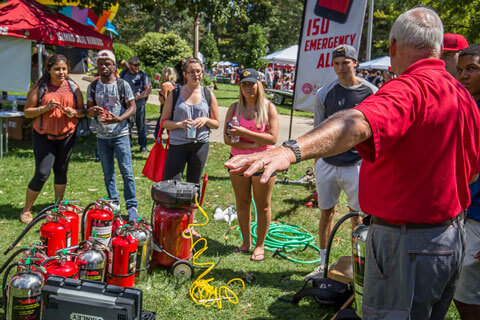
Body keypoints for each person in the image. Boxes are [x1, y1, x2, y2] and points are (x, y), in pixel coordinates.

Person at [225, 7, 480, 319]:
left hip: (407, 245)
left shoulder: (408, 88)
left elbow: (356, 122)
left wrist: (289, 150)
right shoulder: (463, 94)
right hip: (450, 239)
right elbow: (471, 173)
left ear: (394, 47)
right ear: (439, 48)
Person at [305, 45, 378, 280]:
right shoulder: (325, 92)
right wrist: (316, 162)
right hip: (327, 163)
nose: (340, 68)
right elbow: (318, 129)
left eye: (345, 63)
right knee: (326, 212)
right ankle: (323, 263)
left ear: (355, 63)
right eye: (336, 63)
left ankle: (358, 262)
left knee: (357, 215)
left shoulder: (370, 91)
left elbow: (377, 130)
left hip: (356, 164)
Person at [20, 54, 85, 223]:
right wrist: (45, 108)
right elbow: (27, 112)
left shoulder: (73, 86)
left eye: (64, 69)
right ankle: (27, 209)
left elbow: (82, 110)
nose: (61, 72)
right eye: (57, 69)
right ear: (48, 69)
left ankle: (58, 206)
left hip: (67, 135)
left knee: (61, 170)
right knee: (42, 173)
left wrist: (75, 113)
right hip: (44, 136)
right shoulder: (40, 87)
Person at [224, 68, 279, 262]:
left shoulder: (268, 107)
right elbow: (227, 138)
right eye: (245, 84)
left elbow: (272, 138)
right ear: (240, 87)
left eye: (252, 84)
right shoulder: (234, 108)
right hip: (237, 162)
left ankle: (260, 245)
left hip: (262, 162)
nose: (248, 88)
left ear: (259, 85)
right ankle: (246, 242)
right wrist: (253, 142)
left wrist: (245, 134)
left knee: (262, 206)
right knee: (242, 202)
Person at [86, 50, 139, 220]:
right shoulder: (93, 86)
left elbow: (132, 107)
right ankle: (113, 202)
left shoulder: (123, 84)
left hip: (121, 134)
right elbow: (88, 110)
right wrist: (91, 111)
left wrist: (120, 118)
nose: (104, 67)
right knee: (108, 172)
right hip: (102, 136)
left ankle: (131, 206)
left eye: (107, 63)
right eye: (101, 63)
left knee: (127, 172)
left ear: (114, 66)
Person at [160, 57, 219, 184]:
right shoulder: (175, 94)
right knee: (171, 184)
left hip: (200, 145)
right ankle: (172, 205)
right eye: (192, 72)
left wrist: (205, 120)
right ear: (185, 74)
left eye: (199, 71)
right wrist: (180, 124)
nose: (196, 75)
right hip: (178, 144)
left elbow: (216, 123)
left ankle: (191, 204)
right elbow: (163, 122)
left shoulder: (208, 94)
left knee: (194, 184)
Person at [454, 44, 480, 320]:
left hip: (478, 217)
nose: (463, 75)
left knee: (466, 298)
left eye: (472, 69)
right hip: (461, 212)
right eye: (461, 69)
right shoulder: (464, 105)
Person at [120, 56, 152, 152]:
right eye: (135, 65)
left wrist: (138, 96)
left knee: (141, 126)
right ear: (129, 65)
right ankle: (127, 145)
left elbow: (148, 90)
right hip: (127, 106)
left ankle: (143, 146)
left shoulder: (143, 75)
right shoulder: (123, 74)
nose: (137, 67)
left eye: (138, 64)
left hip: (139, 105)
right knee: (127, 126)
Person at [154, 66, 177, 139]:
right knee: (170, 132)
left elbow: (164, 100)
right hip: (174, 111)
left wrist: (160, 95)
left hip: (165, 111)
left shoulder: (165, 85)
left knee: (158, 132)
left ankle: (159, 147)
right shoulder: (175, 85)